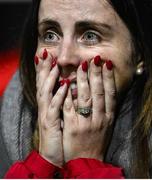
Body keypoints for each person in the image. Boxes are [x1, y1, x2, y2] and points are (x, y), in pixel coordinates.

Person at [1, 0, 152, 178]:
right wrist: (42, 165)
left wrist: (86, 163)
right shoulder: (11, 120)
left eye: (90, 36)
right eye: (50, 35)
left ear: (140, 51)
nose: (64, 58)